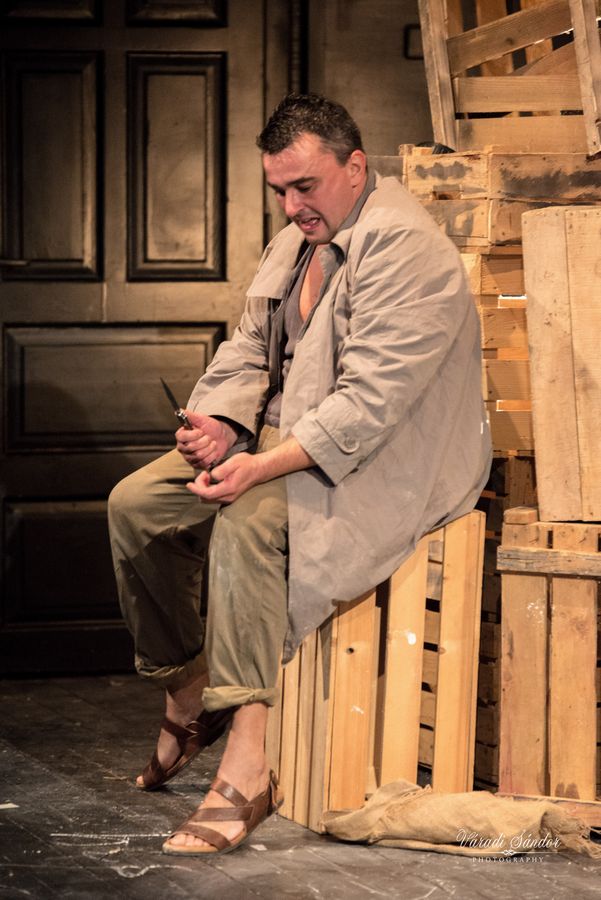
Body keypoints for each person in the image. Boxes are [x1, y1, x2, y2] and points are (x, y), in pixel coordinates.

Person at [108, 93, 492, 857]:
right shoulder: (298, 242)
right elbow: (250, 348)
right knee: (136, 506)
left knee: (248, 518)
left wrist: (257, 465)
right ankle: (188, 690)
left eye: (304, 186)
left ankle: (248, 765)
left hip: (385, 459)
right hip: (288, 441)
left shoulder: (406, 250)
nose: (290, 206)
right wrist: (219, 423)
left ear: (355, 167)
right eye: (279, 190)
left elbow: (370, 406)